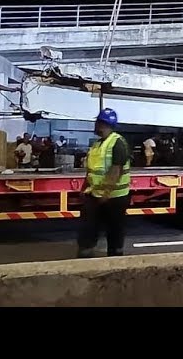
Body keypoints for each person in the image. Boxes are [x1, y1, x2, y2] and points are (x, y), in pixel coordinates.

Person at [77, 108, 131, 258]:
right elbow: (92, 171)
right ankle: (85, 254)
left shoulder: (117, 142)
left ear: (103, 124)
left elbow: (116, 170)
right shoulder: (97, 145)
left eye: (97, 122)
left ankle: (115, 258)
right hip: (95, 194)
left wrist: (106, 193)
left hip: (114, 197)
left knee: (114, 230)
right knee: (88, 227)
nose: (95, 125)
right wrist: (84, 188)